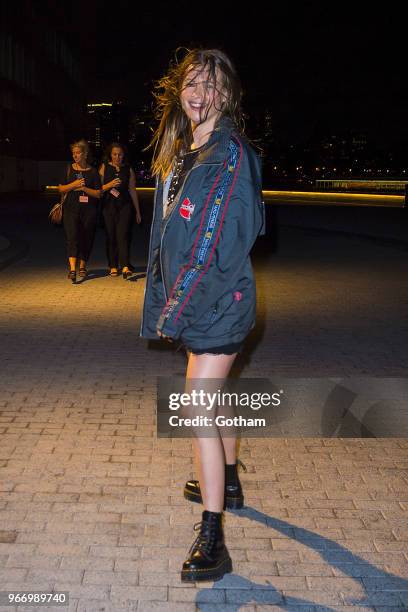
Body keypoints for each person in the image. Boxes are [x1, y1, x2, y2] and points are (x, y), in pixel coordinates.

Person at [140, 48, 264, 582]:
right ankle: (228, 479)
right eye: (193, 83)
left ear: (227, 96)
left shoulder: (229, 153)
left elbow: (222, 243)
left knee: (195, 412)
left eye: (212, 87)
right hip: (199, 299)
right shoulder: (189, 147)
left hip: (217, 302)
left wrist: (175, 309)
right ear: (179, 88)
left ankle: (214, 537)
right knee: (213, 399)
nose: (200, 95)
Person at [58, 139, 101, 283]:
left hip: (89, 211)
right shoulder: (69, 168)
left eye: (78, 153)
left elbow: (98, 193)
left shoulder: (93, 171)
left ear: (85, 154)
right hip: (71, 209)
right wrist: (74, 184)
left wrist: (83, 188)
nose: (75, 156)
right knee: (72, 237)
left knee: (86, 238)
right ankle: (72, 269)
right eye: (73, 153)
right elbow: (61, 189)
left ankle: (82, 265)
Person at [99, 143, 142, 279]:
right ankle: (112, 265)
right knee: (111, 235)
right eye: (115, 154)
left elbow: (133, 191)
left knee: (122, 235)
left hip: (125, 206)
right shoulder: (104, 167)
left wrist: (138, 211)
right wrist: (109, 185)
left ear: (124, 155)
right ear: (110, 155)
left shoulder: (128, 169)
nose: (117, 157)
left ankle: (124, 266)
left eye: (120, 154)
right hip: (108, 206)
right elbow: (98, 189)